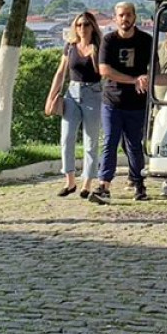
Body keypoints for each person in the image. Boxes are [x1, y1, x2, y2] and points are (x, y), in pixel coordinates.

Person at [95, 1, 154, 204]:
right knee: (110, 142)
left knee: (134, 144)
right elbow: (104, 70)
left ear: (134, 17)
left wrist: (145, 77)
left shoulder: (146, 40)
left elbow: (154, 68)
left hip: (137, 103)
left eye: (128, 14)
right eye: (121, 15)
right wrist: (132, 80)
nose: (125, 18)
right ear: (115, 18)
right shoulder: (109, 40)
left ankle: (139, 182)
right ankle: (104, 185)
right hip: (112, 100)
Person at [48, 11, 105, 198]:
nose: (82, 28)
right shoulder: (70, 47)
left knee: (91, 141)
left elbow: (106, 72)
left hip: (93, 94)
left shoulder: (99, 47)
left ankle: (87, 183)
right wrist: (52, 95)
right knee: (66, 138)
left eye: (86, 24)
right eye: (79, 25)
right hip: (72, 93)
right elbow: (60, 72)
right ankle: (69, 181)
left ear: (93, 26)